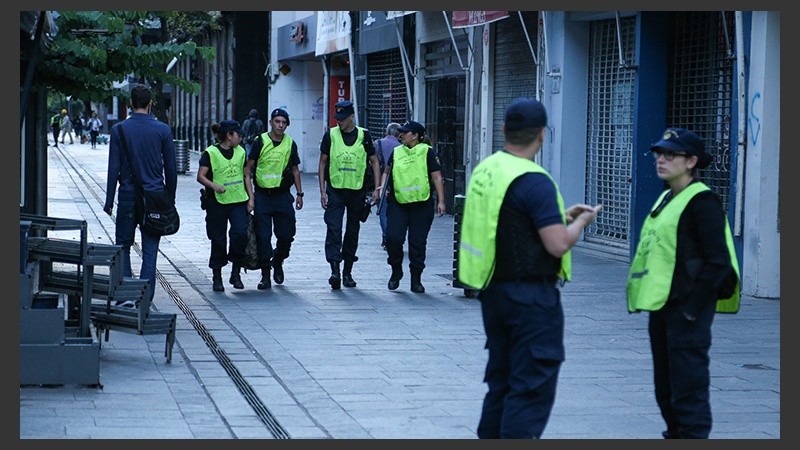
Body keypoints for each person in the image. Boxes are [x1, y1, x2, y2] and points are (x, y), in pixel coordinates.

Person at [458, 97, 602, 439]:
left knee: (501, 383)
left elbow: (507, 219)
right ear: (542, 135)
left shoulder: (488, 169)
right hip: (531, 300)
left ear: (505, 130)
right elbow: (557, 244)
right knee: (530, 389)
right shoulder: (534, 180)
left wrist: (556, 217)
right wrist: (580, 222)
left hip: (495, 292)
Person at [627, 128, 741, 439]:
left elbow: (718, 262)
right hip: (662, 306)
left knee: (688, 390)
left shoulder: (703, 202)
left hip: (687, 311)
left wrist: (692, 310)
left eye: (670, 154)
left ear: (691, 161)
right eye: (658, 154)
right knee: (665, 389)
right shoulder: (667, 197)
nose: (660, 160)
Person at [103, 84, 177, 307]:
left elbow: (113, 167)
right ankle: (144, 301)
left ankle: (125, 295)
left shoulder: (119, 130)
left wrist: (109, 201)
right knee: (150, 251)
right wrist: (169, 199)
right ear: (150, 103)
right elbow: (171, 168)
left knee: (123, 246)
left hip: (126, 196)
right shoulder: (163, 130)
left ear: (130, 104)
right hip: (154, 198)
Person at [318, 100, 381, 290]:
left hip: (357, 191)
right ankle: (335, 271)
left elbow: (374, 161)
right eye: (337, 118)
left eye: (343, 119)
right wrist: (322, 191)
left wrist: (377, 189)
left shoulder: (364, 135)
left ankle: (348, 272)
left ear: (352, 117)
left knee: (352, 232)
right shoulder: (331, 135)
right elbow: (322, 163)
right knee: (334, 228)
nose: (339, 122)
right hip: (336, 190)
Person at [379, 120, 445, 293]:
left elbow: (437, 176)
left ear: (415, 136)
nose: (401, 135)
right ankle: (396, 271)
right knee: (393, 239)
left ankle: (416, 279)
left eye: (405, 132)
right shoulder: (396, 152)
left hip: (421, 205)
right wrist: (382, 188)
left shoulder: (427, 152)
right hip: (398, 203)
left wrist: (441, 201)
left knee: (417, 243)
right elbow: (387, 172)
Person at [245, 108, 304, 290]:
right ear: (270, 122)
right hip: (263, 196)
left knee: (286, 235)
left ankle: (278, 259)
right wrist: (251, 197)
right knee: (263, 236)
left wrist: (300, 194)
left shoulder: (290, 144)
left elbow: (295, 169)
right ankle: (265, 275)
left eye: (284, 122)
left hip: (283, 196)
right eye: (277, 121)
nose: (280, 125)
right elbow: (248, 170)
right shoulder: (260, 141)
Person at [197, 120, 254, 292]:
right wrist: (214, 186)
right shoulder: (211, 153)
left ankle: (235, 272)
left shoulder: (241, 152)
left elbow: (246, 176)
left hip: (238, 199)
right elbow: (201, 176)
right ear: (229, 136)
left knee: (240, 234)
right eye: (238, 134)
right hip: (217, 202)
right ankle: (217, 277)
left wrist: (251, 198)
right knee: (218, 239)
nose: (241, 138)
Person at [373, 122, 401, 249]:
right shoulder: (402, 146)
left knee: (383, 210)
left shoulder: (377, 144)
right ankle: (394, 235)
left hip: (381, 182)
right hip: (398, 183)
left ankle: (386, 235)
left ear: (386, 132)